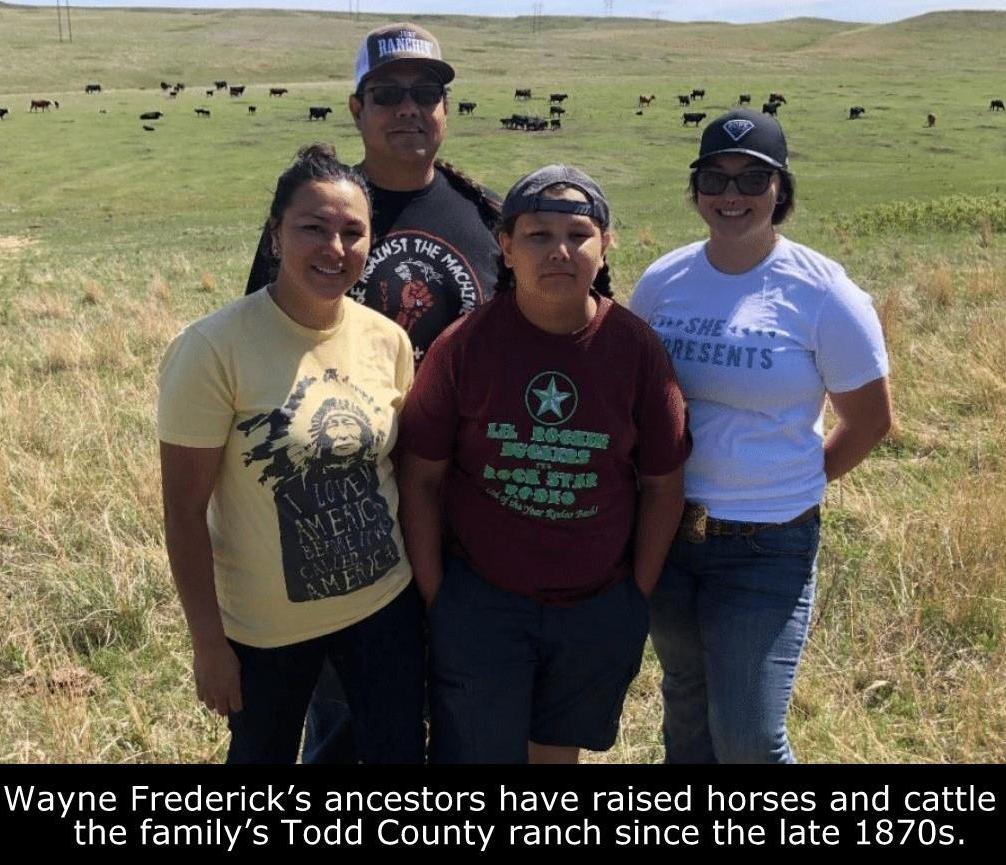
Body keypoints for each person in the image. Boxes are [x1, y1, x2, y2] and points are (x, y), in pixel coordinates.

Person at [244, 23, 501, 764]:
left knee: (449, 705)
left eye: (427, 93)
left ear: (447, 108)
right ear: (356, 109)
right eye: (388, 94)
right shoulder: (319, 215)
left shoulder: (484, 217)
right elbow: (267, 351)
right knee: (341, 717)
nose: (409, 109)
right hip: (341, 505)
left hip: (461, 506)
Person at [398, 166, 691, 764]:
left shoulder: (635, 349)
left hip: (596, 604)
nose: (559, 251)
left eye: (578, 234)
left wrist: (635, 592)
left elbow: (663, 484)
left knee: (558, 757)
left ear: (605, 245)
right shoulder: (464, 346)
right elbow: (421, 479)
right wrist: (438, 594)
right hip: (482, 600)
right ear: (505, 248)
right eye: (537, 236)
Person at [629, 109, 894, 763]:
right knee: (687, 709)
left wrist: (794, 483)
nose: (732, 196)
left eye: (753, 179)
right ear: (695, 191)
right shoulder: (664, 282)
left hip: (766, 544)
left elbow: (870, 420)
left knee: (748, 736)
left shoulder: (825, 293)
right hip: (670, 534)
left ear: (782, 191)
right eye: (715, 178)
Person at [158, 144, 423, 764]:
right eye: (313, 228)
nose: (334, 247)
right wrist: (208, 645)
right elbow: (183, 511)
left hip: (384, 605)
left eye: (352, 232)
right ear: (275, 234)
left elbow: (402, 475)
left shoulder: (388, 340)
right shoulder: (211, 348)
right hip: (266, 626)